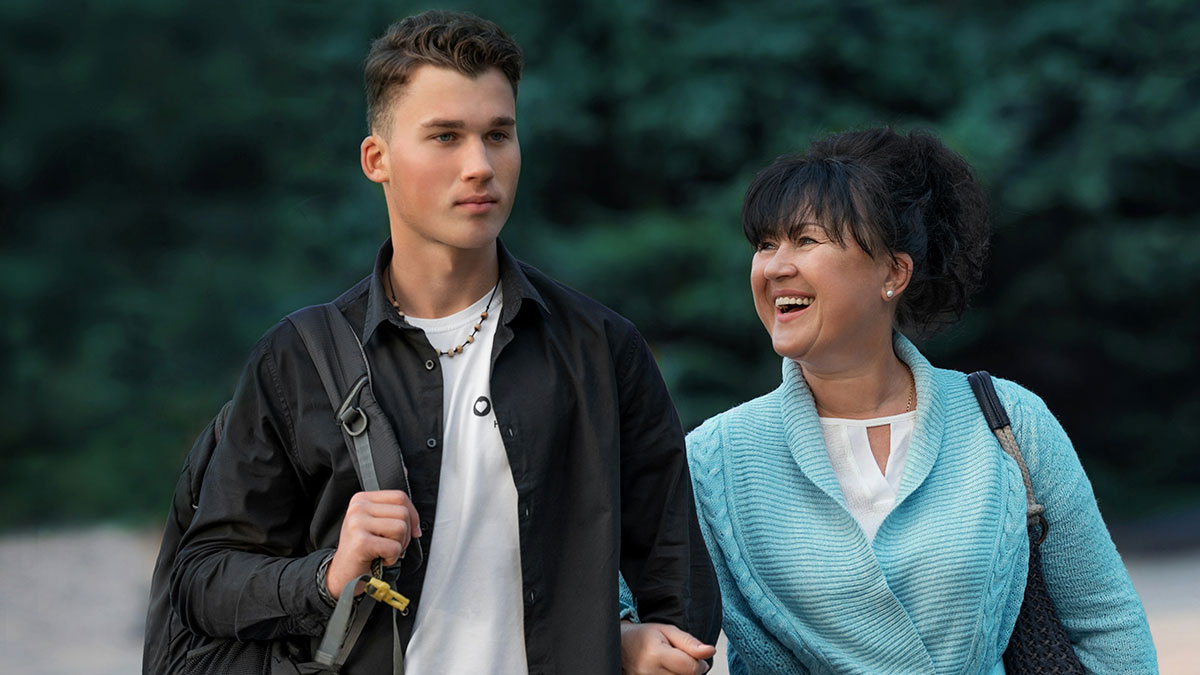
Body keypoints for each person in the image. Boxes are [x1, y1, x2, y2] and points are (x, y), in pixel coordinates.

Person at [170, 10, 720, 674]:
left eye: (498, 135)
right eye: (445, 137)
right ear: (377, 159)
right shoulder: (298, 361)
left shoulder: (602, 350)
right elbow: (203, 578)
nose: (480, 165)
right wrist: (329, 573)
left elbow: (678, 581)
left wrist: (631, 642)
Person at [675, 128, 1157, 672]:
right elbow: (623, 605)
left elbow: (1105, 621)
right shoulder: (715, 457)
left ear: (893, 272)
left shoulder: (1008, 422)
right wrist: (631, 637)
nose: (774, 267)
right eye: (765, 244)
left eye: (806, 240)